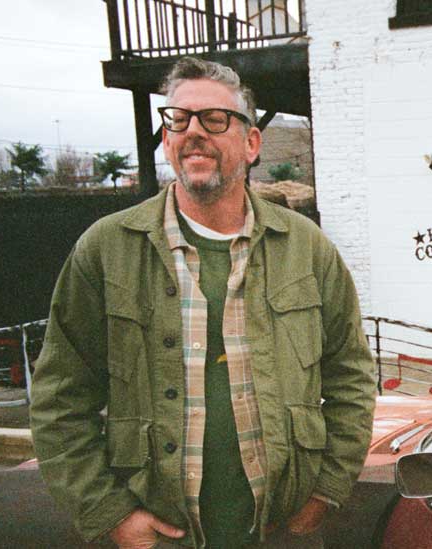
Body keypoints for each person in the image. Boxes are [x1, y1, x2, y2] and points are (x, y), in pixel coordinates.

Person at [30, 57, 375, 548]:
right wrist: (111, 513)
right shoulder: (107, 248)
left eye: (214, 119)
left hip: (281, 531)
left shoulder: (307, 246)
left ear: (251, 143)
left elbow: (351, 373)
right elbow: (59, 397)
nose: (194, 132)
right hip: (161, 534)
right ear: (167, 139)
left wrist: (325, 492)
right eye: (178, 119)